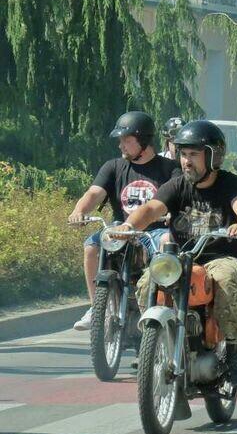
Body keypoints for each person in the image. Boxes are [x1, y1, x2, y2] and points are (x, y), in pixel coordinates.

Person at [121, 120, 237, 387]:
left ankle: (235, 356)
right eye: (183, 154)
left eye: (194, 154)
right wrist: (128, 226)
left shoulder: (231, 184)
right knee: (148, 282)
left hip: (221, 257)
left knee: (227, 281)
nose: (186, 161)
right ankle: (153, 341)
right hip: (182, 258)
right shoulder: (177, 185)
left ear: (213, 156)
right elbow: (151, 209)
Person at [67, 111, 180, 331]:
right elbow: (94, 193)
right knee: (91, 246)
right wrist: (79, 210)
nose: (121, 146)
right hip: (120, 229)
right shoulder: (114, 166)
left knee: (167, 241)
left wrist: (174, 214)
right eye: (120, 141)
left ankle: (165, 305)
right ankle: (96, 308)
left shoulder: (170, 169)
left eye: (126, 140)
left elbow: (179, 198)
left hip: (154, 231)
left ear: (144, 140)